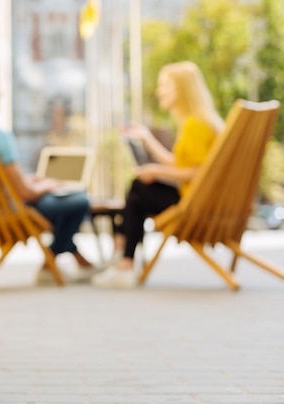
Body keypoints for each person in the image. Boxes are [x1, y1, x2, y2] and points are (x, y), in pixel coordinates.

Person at [0, 65, 100, 281]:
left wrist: (32, 180)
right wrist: (49, 184)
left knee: (57, 203)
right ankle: (51, 262)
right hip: (6, 211)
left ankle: (57, 264)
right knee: (79, 200)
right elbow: (25, 193)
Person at [92, 61, 225, 288]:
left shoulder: (196, 125)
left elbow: (199, 172)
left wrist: (157, 171)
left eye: (165, 85)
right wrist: (146, 138)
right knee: (139, 187)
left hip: (196, 205)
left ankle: (123, 258)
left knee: (138, 190)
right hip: (201, 200)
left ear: (182, 89)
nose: (159, 91)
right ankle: (123, 254)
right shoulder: (201, 121)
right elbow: (180, 163)